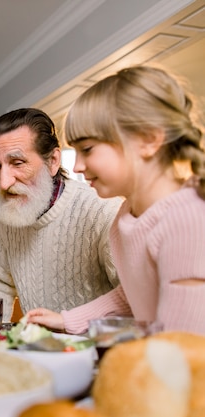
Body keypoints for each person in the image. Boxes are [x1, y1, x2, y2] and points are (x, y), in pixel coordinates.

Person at [27, 66, 205, 335]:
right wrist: (67, 320)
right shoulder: (126, 215)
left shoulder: (186, 219)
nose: (77, 166)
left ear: (148, 139)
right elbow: (132, 293)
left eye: (87, 149)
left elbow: (183, 346)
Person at [0, 108, 122, 321]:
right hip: (36, 348)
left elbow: (135, 298)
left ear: (53, 160)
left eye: (18, 163)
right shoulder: (10, 211)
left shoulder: (102, 210)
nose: (4, 182)